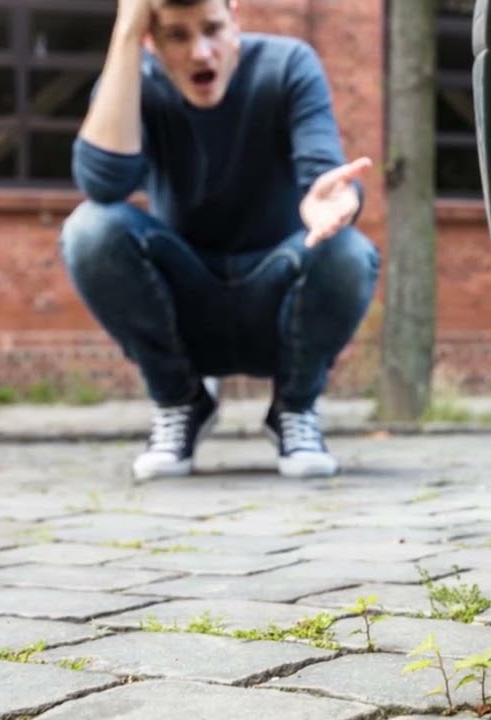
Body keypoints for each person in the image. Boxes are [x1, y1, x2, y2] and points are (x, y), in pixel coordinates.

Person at [59, 0, 378, 480]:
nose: (200, 53)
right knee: (89, 229)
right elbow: (103, 185)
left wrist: (338, 199)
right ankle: (180, 401)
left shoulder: (288, 64)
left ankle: (294, 409)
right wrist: (125, 34)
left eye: (211, 29)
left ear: (235, 21)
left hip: (276, 298)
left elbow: (326, 175)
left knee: (350, 251)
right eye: (177, 36)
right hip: (187, 300)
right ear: (152, 40)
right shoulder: (134, 80)